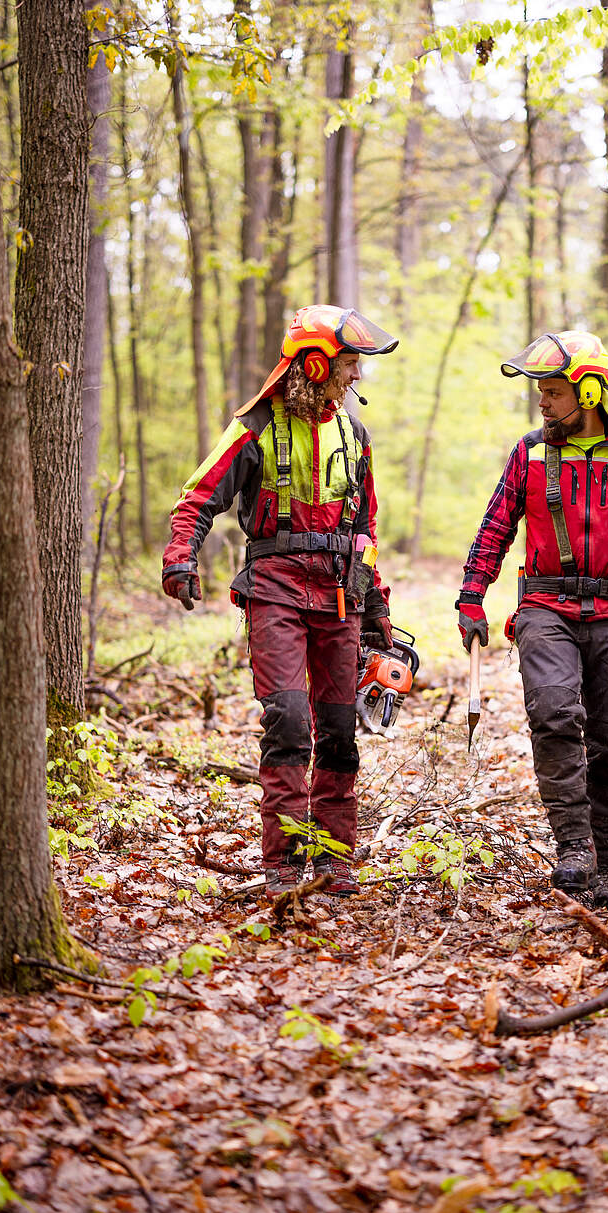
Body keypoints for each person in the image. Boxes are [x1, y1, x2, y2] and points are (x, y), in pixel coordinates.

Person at [455, 330, 608, 909]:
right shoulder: (530, 453)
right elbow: (495, 526)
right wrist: (473, 596)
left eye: (552, 391)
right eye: (539, 391)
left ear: (589, 392)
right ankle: (573, 845)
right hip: (545, 609)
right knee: (553, 712)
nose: (541, 402)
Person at [162, 305, 397, 896]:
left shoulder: (354, 433)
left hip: (341, 593)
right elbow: (199, 497)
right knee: (290, 718)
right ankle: (286, 860)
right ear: (315, 365)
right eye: (348, 365)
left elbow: (365, 529)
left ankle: (335, 855)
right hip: (275, 590)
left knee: (340, 726)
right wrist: (180, 557)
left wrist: (377, 608)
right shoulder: (255, 427)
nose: (355, 377)